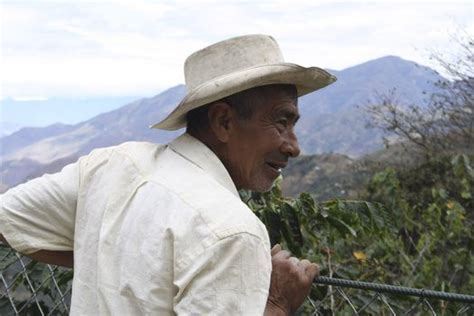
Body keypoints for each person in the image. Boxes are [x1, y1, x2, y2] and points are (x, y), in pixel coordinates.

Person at [0, 34, 336, 315]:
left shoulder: (110, 166)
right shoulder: (231, 232)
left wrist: (117, 261)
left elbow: (6, 219)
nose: (293, 146)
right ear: (223, 121)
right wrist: (277, 305)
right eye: (282, 121)